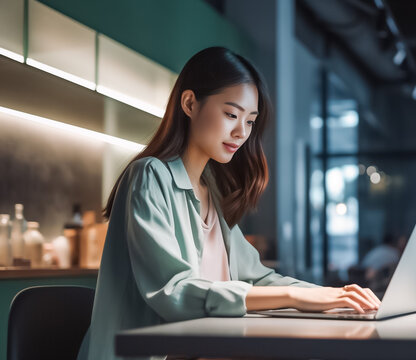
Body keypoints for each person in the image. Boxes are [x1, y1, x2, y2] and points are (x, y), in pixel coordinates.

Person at [76, 46, 381, 360]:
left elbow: (255, 277)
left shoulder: (211, 190)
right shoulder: (149, 175)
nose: (241, 132)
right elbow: (173, 291)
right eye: (231, 114)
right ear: (190, 103)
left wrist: (332, 295)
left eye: (250, 121)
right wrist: (293, 296)